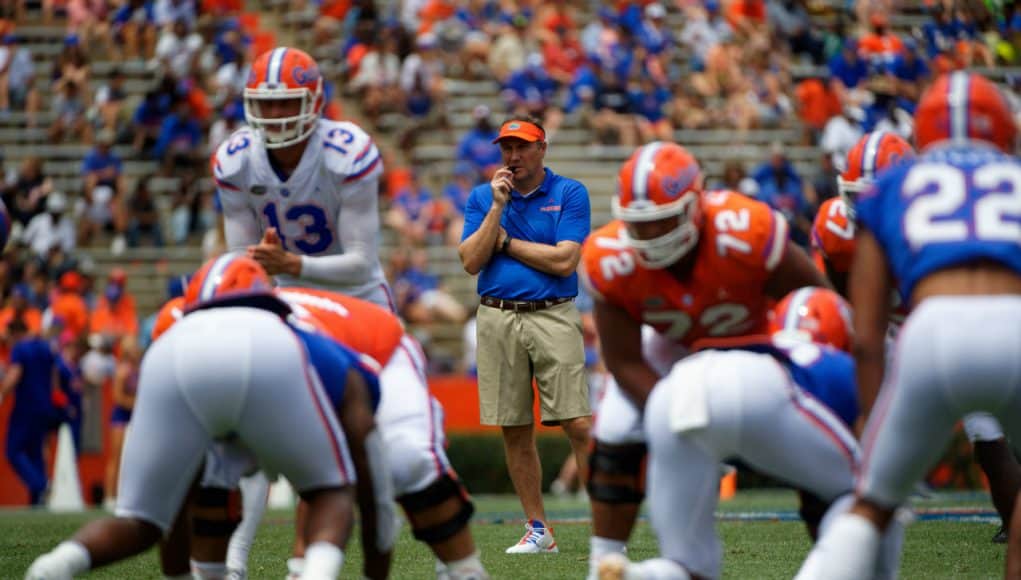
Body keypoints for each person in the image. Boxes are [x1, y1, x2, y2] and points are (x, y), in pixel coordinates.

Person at [25, 255, 391, 580]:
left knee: (140, 521)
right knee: (331, 493)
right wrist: (377, 563)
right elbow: (365, 452)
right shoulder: (299, 333)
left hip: (171, 358)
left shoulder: (173, 329)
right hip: (271, 354)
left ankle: (54, 567)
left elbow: (176, 501)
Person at [797, 71, 1021, 579]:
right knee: (992, 441)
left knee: (873, 498)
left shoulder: (895, 189)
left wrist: (871, 417)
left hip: (930, 330)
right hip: (1012, 326)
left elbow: (864, 332)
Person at [581, 141, 829, 578]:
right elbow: (622, 361)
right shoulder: (612, 258)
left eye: (663, 222)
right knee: (616, 422)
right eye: (640, 225)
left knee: (824, 450)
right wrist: (678, 414)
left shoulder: (744, 228)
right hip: (677, 345)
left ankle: (835, 545)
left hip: (758, 339)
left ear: (696, 204)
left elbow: (814, 299)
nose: (652, 237)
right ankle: (602, 559)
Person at [598, 288, 905, 580]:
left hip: (674, 388)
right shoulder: (836, 366)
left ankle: (640, 575)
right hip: (757, 391)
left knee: (691, 565)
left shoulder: (763, 343)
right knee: (868, 495)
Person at [458, 115, 592, 554]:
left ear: (542, 148)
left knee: (578, 423)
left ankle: (604, 529)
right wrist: (497, 209)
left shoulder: (569, 193)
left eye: (522, 147)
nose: (512, 156)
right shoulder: (483, 197)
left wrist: (506, 243)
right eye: (506, 148)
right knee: (514, 429)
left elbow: (564, 262)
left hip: (553, 313)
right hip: (497, 315)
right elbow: (470, 261)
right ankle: (539, 530)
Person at [214, 47, 394, 310]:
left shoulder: (347, 153)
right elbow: (242, 263)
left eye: (286, 101)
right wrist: (262, 262)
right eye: (266, 102)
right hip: (290, 299)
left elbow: (361, 264)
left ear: (314, 102)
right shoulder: (236, 161)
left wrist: (290, 264)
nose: (275, 113)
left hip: (358, 297)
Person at [0, 318, 60, 505]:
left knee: (13, 450)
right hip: (44, 406)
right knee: (36, 452)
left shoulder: (20, 349)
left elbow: (14, 375)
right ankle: (37, 501)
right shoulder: (44, 347)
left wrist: (2, 393)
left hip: (25, 406)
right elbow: (54, 377)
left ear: (14, 333)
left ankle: (40, 485)